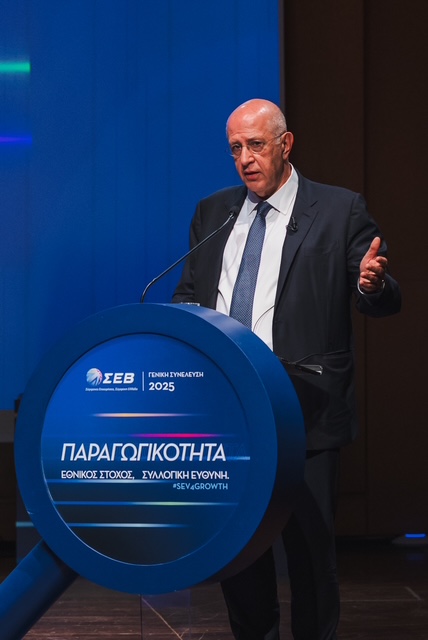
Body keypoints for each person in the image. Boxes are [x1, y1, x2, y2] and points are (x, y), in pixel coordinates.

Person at [172, 99, 401, 640]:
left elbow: (381, 296)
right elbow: (189, 294)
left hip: (305, 409)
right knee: (239, 553)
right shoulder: (213, 212)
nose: (245, 159)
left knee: (309, 557)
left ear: (285, 144)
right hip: (230, 411)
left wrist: (371, 284)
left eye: (255, 145)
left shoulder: (339, 209)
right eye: (235, 148)